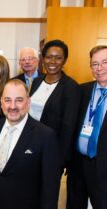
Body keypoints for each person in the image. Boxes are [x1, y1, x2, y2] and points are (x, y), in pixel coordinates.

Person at [0, 79, 60, 209]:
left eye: (19, 100)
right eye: (8, 100)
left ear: (28, 102)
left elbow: (50, 188)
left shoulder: (45, 136)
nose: (13, 106)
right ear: (1, 102)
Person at [67, 45, 107, 209]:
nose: (99, 68)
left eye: (105, 62)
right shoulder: (82, 90)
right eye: (95, 64)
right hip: (78, 165)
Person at [29, 39, 80, 168]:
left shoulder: (71, 87)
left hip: (52, 149)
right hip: (30, 143)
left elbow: (68, 128)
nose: (52, 62)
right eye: (49, 57)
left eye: (58, 58)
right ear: (43, 58)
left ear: (65, 60)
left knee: (47, 187)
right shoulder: (37, 82)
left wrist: (59, 159)